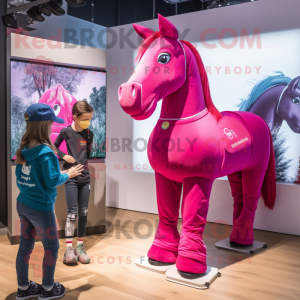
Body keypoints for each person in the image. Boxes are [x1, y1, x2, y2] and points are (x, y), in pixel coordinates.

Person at [15, 103, 84, 300]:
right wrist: (68, 174)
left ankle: (23, 287)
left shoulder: (24, 149)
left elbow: (28, 178)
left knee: (25, 246)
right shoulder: (46, 153)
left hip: (23, 203)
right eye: (52, 123)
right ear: (45, 125)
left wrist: (58, 174)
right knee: (51, 248)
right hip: (41, 209)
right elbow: (52, 181)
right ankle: (47, 289)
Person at [54, 101, 94, 265]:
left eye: (90, 119)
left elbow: (87, 154)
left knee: (83, 213)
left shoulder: (89, 134)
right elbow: (53, 146)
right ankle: (69, 249)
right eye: (85, 119)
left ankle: (80, 247)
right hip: (70, 178)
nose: (88, 122)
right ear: (75, 118)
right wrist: (63, 156)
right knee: (72, 213)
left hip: (85, 179)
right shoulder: (66, 132)